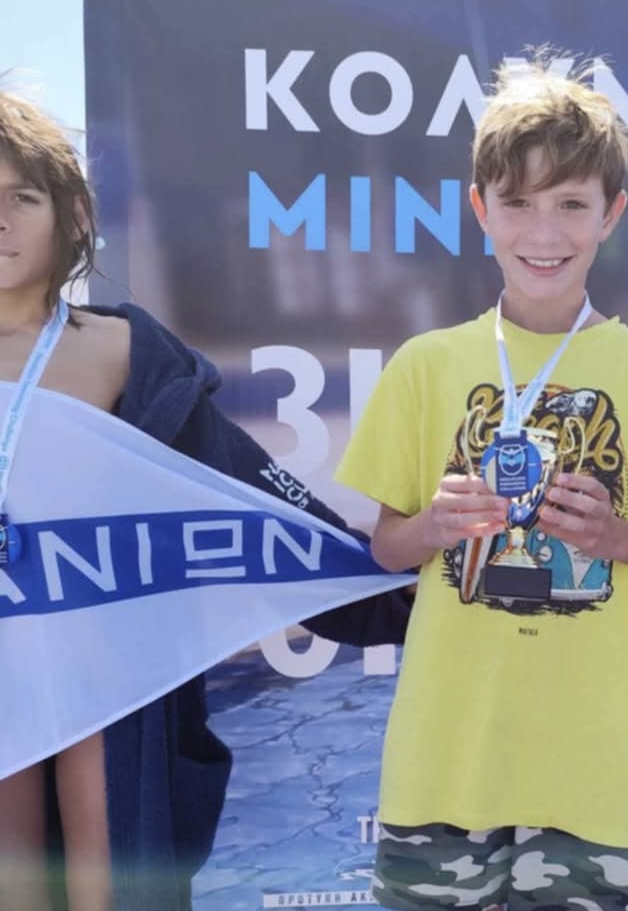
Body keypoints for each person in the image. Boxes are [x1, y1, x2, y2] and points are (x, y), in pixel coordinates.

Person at [334, 53, 628, 911]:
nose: (543, 232)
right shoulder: (426, 364)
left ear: (611, 214)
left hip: (590, 780)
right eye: (517, 203)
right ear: (481, 209)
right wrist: (435, 526)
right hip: (445, 770)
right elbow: (387, 547)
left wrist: (615, 537)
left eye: (571, 205)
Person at [0, 89, 411, 911]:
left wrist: (388, 582)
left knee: (112, 881)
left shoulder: (127, 352)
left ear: (72, 215)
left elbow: (251, 500)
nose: (0, 221)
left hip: (104, 670)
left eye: (22, 197)